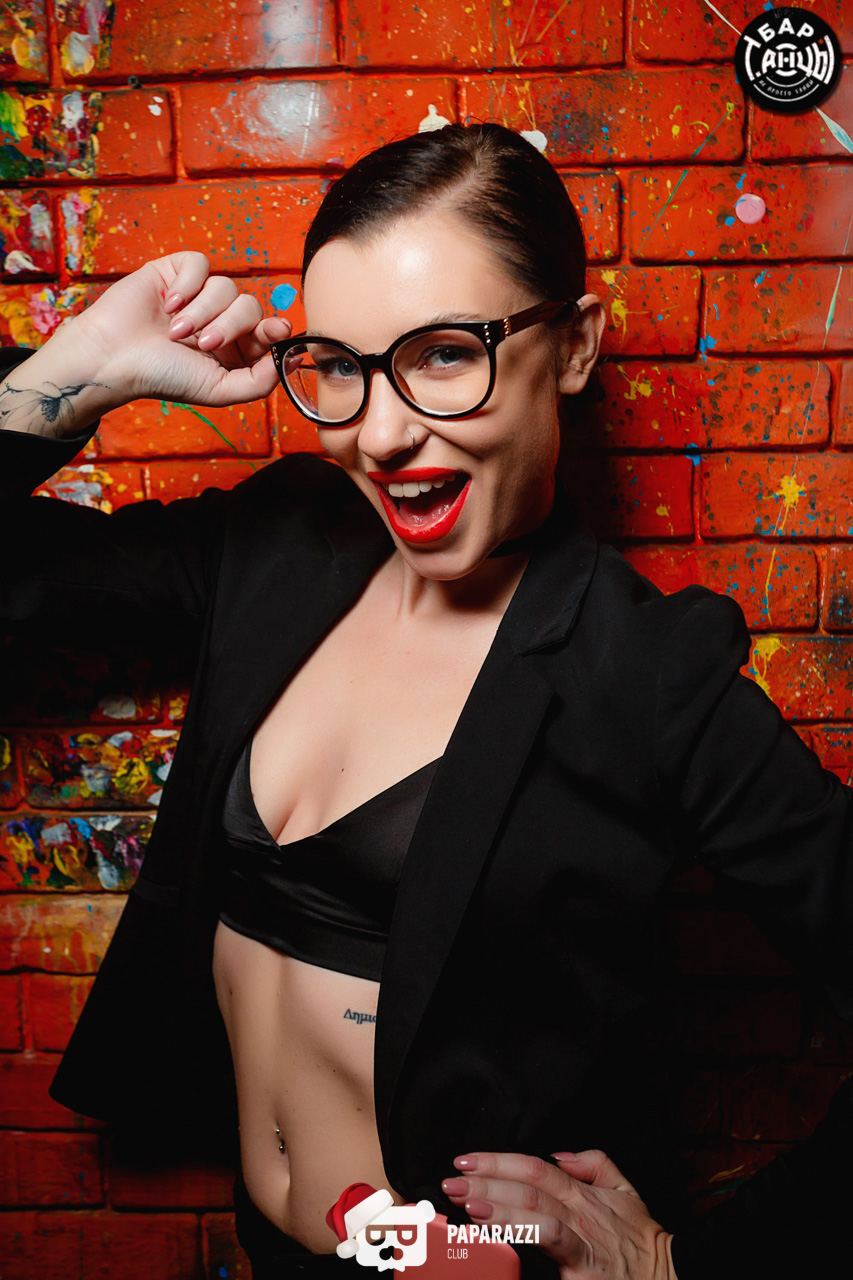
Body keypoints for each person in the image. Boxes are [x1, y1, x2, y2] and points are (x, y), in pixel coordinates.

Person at [1, 122, 851, 1280]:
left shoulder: (644, 671)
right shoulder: (279, 540)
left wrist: (674, 1267)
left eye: (445, 353)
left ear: (574, 345)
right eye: (342, 367)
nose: (382, 431)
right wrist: (79, 373)